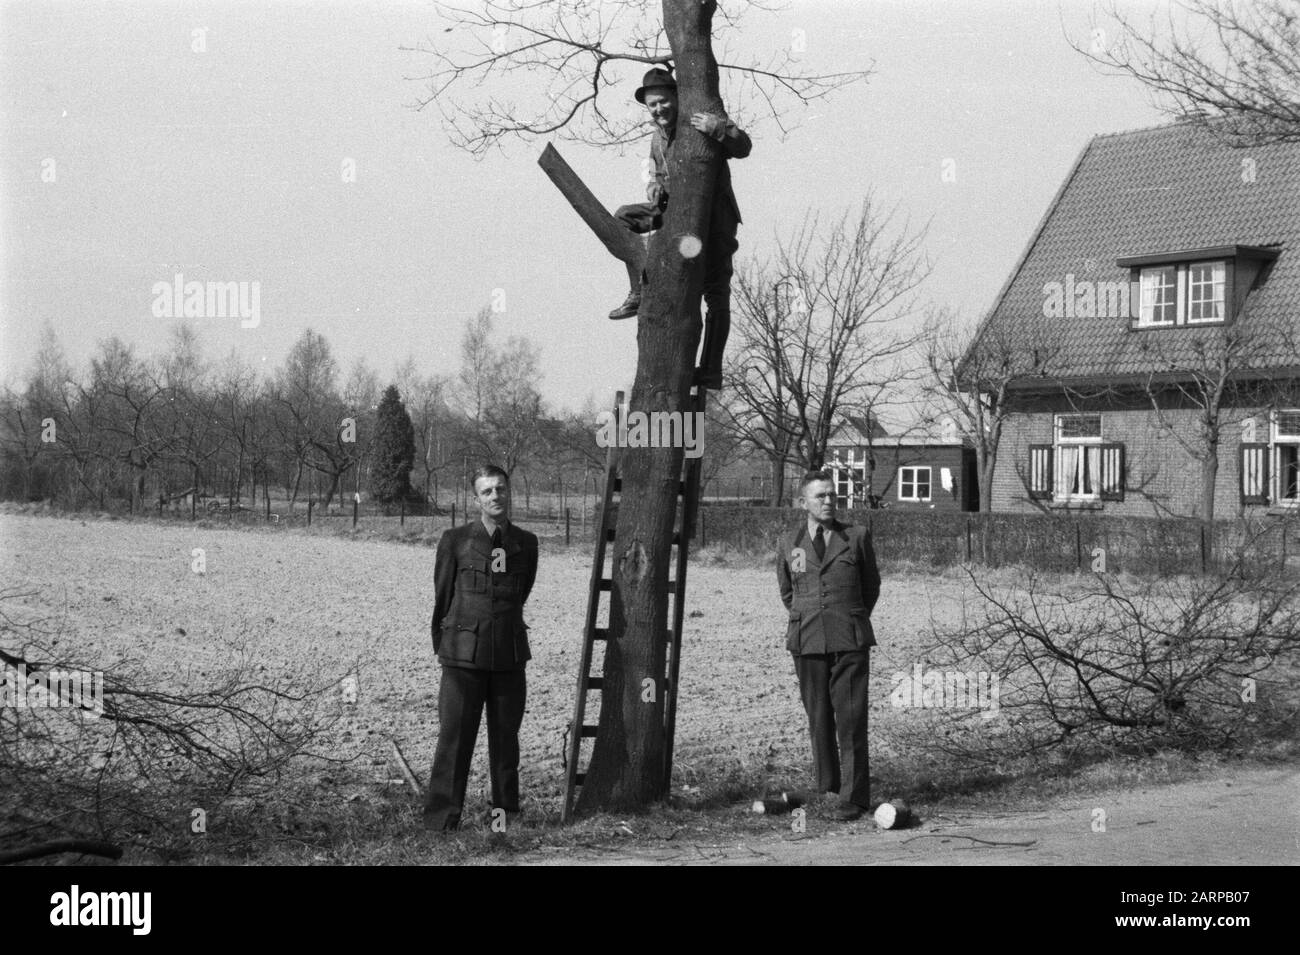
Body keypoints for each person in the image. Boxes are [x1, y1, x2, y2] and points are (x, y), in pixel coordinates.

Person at [609, 67, 752, 390]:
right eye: (652, 106)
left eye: (663, 102)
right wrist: (654, 188)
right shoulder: (657, 138)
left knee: (716, 294)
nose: (659, 110)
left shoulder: (700, 122)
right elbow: (656, 174)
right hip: (672, 216)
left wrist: (718, 129)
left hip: (714, 220)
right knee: (622, 218)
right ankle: (638, 288)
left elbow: (743, 146)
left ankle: (711, 368)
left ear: (675, 97)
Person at [423, 465, 539, 831]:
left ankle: (503, 821)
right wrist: (445, 645)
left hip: (509, 656)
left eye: (500, 490)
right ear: (476, 499)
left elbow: (521, 593)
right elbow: (442, 597)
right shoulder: (455, 540)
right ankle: (441, 824)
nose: (495, 497)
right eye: (487, 492)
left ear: (509, 492)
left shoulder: (527, 543)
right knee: (454, 741)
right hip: (462, 656)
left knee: (506, 743)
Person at [776, 469, 881, 821]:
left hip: (849, 639)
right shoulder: (789, 543)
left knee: (851, 720)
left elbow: (871, 588)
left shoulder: (856, 537)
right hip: (807, 640)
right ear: (802, 502)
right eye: (820, 496)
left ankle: (855, 797)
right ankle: (828, 787)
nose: (828, 501)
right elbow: (788, 592)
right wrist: (809, 618)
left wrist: (849, 617)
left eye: (832, 495)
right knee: (819, 718)